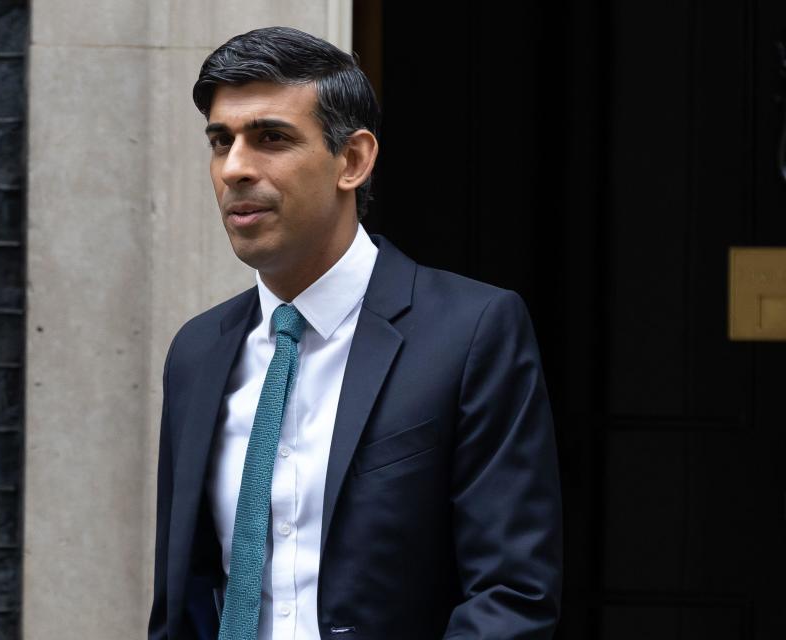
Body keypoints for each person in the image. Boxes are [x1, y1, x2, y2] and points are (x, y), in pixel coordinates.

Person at [148, 26, 563, 640]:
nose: (235, 168)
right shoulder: (197, 351)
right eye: (220, 141)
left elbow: (511, 593)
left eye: (271, 138)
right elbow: (183, 598)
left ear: (353, 160)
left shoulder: (473, 331)